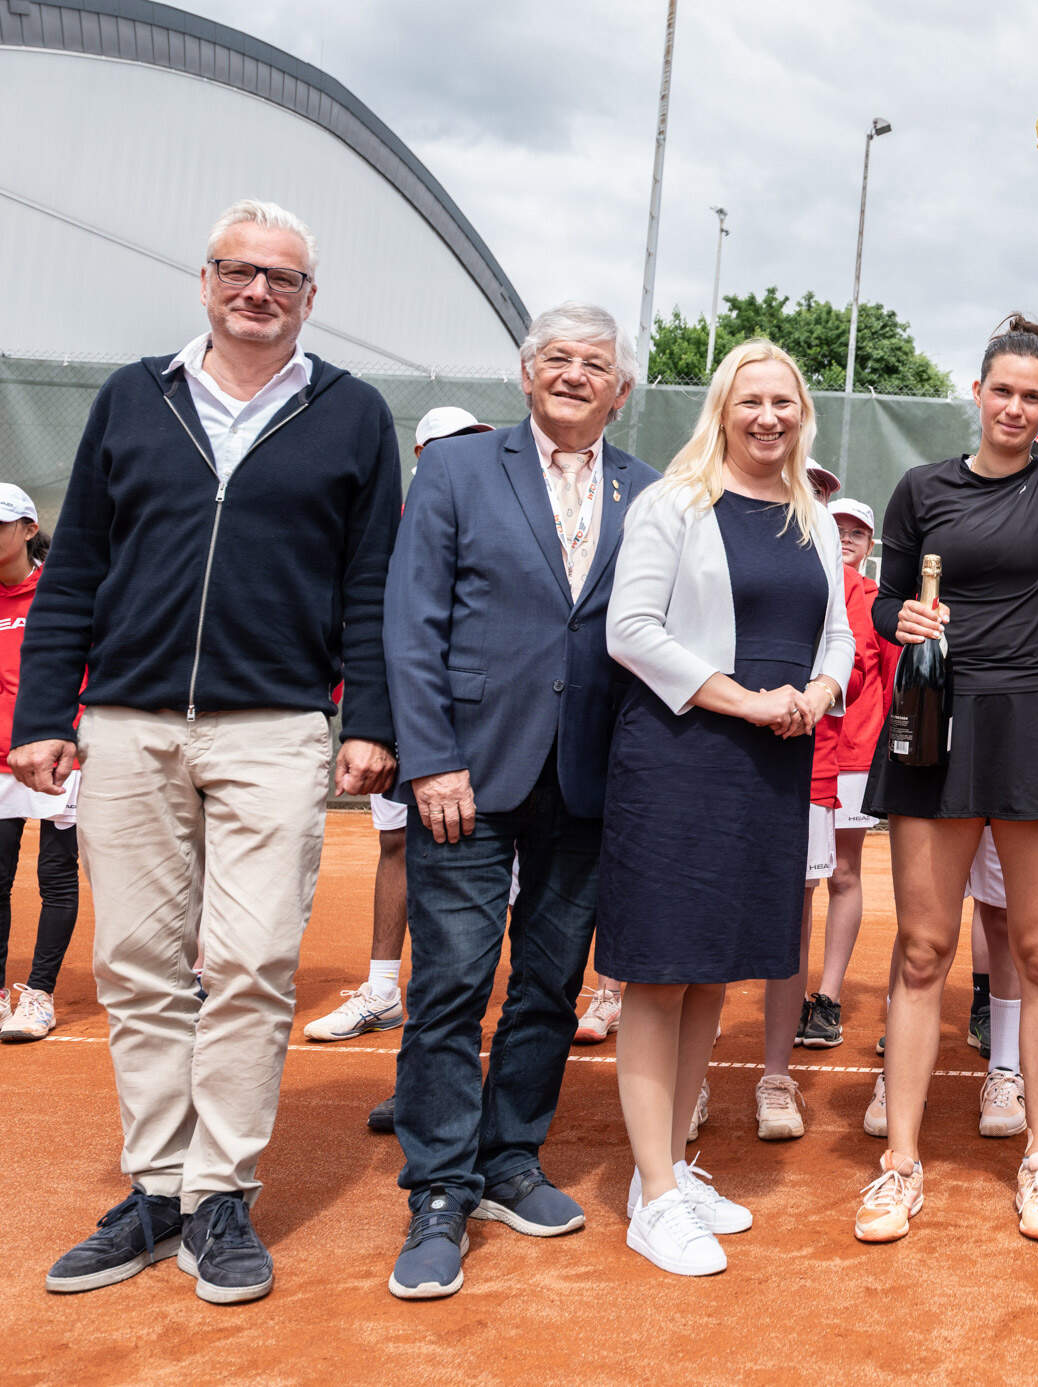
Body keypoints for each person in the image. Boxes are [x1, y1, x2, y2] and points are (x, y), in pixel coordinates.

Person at [25, 200, 400, 1303]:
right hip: (128, 723)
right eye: (239, 271)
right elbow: (78, 563)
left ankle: (220, 1191)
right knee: (139, 966)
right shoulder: (132, 397)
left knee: (250, 963)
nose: (258, 292)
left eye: (281, 278)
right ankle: (156, 1187)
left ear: (309, 298)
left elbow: (371, 580)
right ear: (204, 281)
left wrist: (369, 721)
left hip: (276, 726)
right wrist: (44, 712)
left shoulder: (351, 413)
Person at [854, 168, 1038, 1245]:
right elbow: (886, 596)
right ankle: (898, 1163)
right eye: (1004, 390)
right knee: (923, 948)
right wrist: (903, 624)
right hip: (936, 733)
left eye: (1036, 395)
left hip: (1036, 729)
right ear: (976, 393)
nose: (1018, 407)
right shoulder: (921, 491)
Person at [382, 303, 661, 1300]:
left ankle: (509, 1159)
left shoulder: (650, 489)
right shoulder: (458, 469)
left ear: (621, 389)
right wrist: (431, 760)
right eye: (558, 359)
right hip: (466, 773)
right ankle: (441, 1188)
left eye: (596, 364)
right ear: (525, 372)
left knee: (547, 984)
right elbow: (411, 622)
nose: (575, 375)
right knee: (452, 981)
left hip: (586, 780)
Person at [600, 339, 853, 1277]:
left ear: (802, 414)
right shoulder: (673, 503)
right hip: (680, 761)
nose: (768, 417)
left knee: (712, 972)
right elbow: (632, 631)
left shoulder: (813, 516)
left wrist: (821, 692)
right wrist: (744, 699)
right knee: (661, 973)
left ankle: (663, 1169)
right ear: (723, 408)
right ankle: (653, 1194)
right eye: (751, 400)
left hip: (772, 768)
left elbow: (835, 635)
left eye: (784, 402)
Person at [301, 407, 494, 1132]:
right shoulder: (391, 522)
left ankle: (465, 1080)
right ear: (419, 455)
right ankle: (399, 1021)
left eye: (473, 444)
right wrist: (378, 729)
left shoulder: (499, 510)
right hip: (404, 732)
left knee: (479, 909)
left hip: (480, 742)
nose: (461, 458)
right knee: (405, 860)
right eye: (444, 448)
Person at [756, 467, 869, 1141]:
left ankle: (776, 1072)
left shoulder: (848, 585)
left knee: (795, 905)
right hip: (722, 751)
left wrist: (816, 699)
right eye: (813, 494)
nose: (821, 508)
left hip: (815, 763)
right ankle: (694, 1075)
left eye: (828, 495)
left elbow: (846, 657)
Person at [797, 497, 894, 1047]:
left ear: (871, 545)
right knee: (800, 881)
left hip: (855, 754)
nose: (849, 538)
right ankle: (788, 995)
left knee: (844, 873)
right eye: (840, 528)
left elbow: (891, 673)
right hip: (802, 751)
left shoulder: (874, 597)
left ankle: (828, 998)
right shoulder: (808, 583)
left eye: (860, 531)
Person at [0, 486, 78, 1043]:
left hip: (58, 760)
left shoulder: (60, 591)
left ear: (28, 529)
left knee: (55, 876)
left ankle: (39, 993)